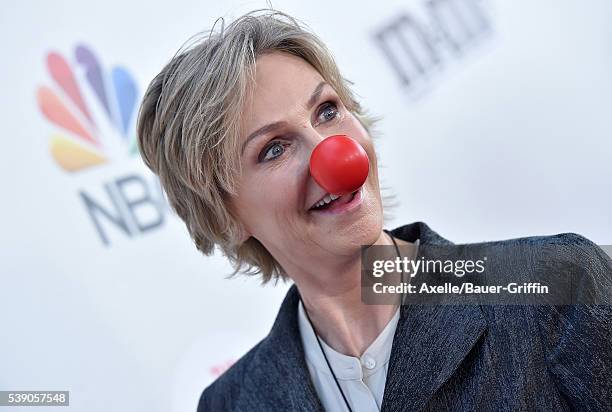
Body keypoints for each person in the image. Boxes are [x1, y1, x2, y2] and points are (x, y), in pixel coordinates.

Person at [136, 8, 612, 412]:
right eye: (274, 149)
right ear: (224, 216)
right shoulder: (232, 403)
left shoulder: (558, 285)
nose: (334, 155)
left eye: (326, 110)